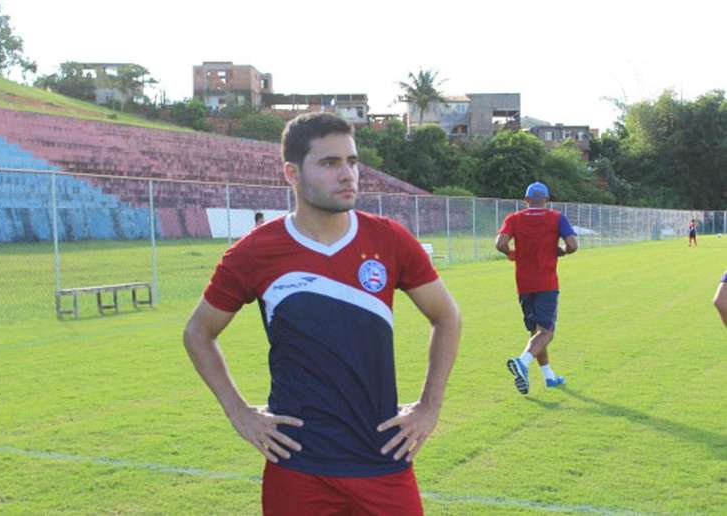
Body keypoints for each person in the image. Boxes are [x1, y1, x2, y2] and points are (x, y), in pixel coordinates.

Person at [183, 112, 461, 515]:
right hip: (297, 463)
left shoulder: (389, 239)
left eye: (352, 161)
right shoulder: (256, 252)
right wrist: (239, 413)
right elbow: (198, 332)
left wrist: (429, 406)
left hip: (381, 455)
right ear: (291, 173)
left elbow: (447, 316)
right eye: (330, 163)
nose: (347, 174)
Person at [495, 181, 578, 395]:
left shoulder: (513, 219)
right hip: (546, 283)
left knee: (536, 332)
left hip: (523, 284)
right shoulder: (557, 218)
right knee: (547, 333)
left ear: (526, 200)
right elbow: (573, 245)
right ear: (548, 201)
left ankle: (549, 377)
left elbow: (500, 244)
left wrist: (513, 254)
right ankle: (522, 362)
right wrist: (561, 251)